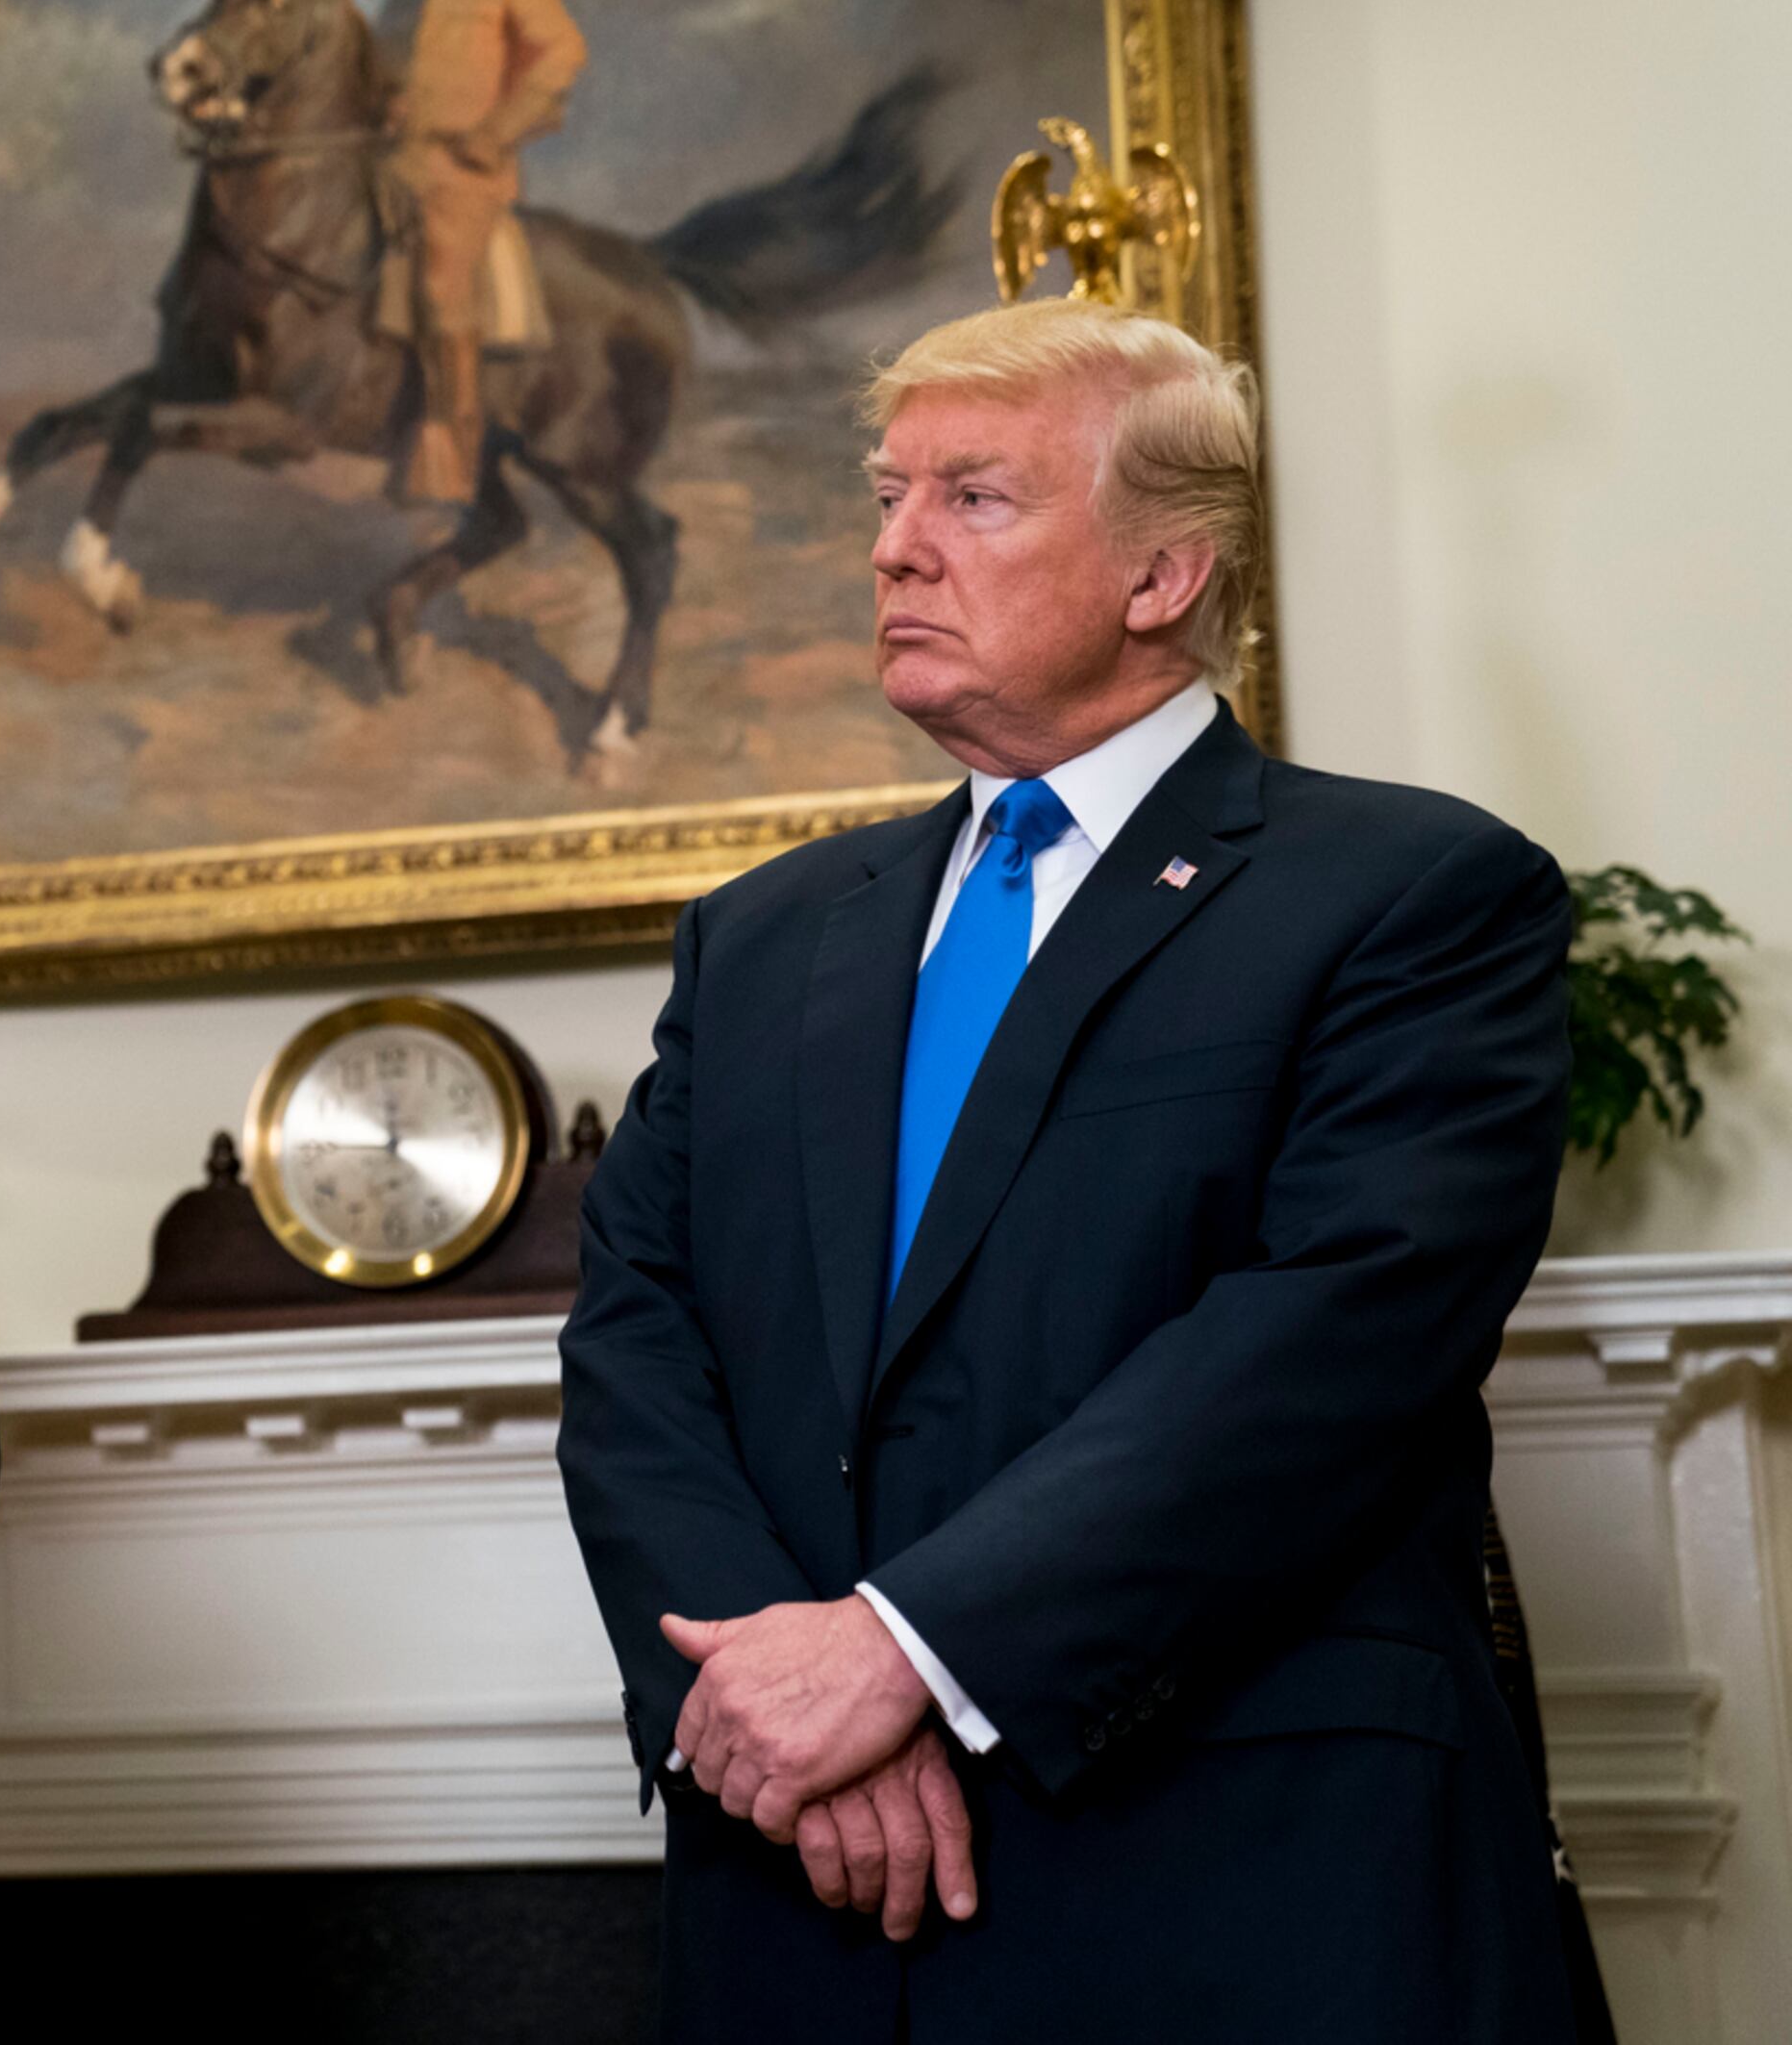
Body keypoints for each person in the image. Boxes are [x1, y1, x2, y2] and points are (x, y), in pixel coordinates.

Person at [556, 298, 1582, 2041]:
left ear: (1162, 572)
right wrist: (774, 1690)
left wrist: (903, 1646)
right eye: (888, 494)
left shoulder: (1411, 894)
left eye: (972, 496)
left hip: (1231, 1874)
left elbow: (1332, 1338)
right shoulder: (761, 937)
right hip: (798, 1891)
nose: (895, 546)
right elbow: (633, 1340)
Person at [381, 0, 587, 504]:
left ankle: (453, 449)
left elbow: (561, 53)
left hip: (463, 170)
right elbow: (385, 74)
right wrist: (388, 104)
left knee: (443, 291)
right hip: (394, 163)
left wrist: (497, 132)